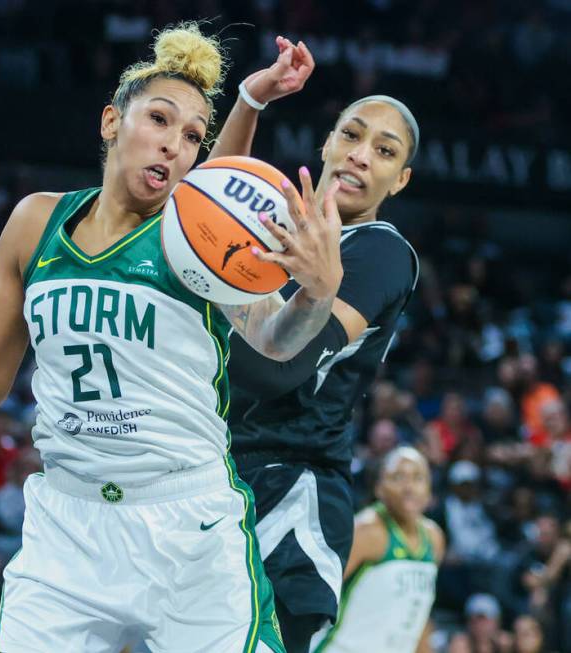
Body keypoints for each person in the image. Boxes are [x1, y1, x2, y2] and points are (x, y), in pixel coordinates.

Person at [0, 22, 344, 652]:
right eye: (158, 119)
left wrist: (316, 289)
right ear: (110, 123)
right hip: (67, 528)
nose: (173, 145)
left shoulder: (196, 247)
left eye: (192, 137)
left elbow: (277, 339)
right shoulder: (36, 221)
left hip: (189, 527)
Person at [211, 35, 422, 651]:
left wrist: (215, 276)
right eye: (352, 135)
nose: (361, 155)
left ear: (399, 179)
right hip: (212, 472)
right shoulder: (279, 220)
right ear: (327, 142)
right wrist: (252, 97)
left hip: (289, 490)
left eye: (384, 151)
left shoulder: (380, 251)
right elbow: (208, 197)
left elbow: (280, 368)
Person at [313, 447, 444, 652]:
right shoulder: (366, 532)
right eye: (398, 477)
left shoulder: (434, 538)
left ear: (429, 488)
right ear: (379, 488)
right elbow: (315, 597)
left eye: (418, 478)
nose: (409, 487)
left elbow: (419, 614)